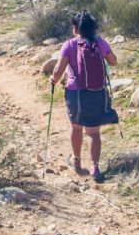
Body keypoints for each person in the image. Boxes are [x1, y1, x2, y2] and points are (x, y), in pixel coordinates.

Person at [50, 10, 118, 182]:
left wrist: (53, 80)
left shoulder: (70, 45)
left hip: (76, 93)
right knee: (93, 132)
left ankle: (76, 160)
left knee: (76, 128)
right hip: (97, 92)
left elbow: (58, 70)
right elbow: (113, 61)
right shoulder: (99, 42)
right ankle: (95, 166)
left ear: (75, 28)